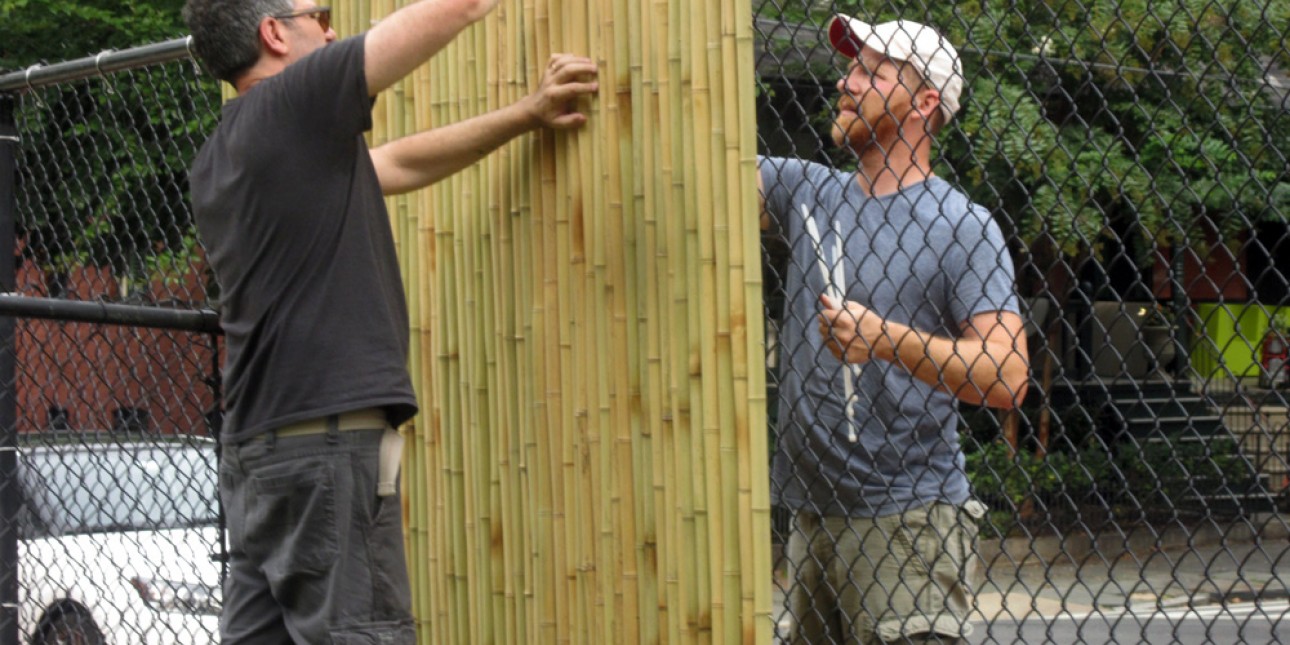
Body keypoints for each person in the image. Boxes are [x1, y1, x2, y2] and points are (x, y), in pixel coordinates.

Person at [181, 0, 598, 641]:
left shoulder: (228, 152)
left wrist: (526, 115)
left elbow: (395, 164)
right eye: (318, 14)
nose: (332, 28)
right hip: (325, 452)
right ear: (274, 34)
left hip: (256, 456)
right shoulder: (294, 103)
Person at [758, 14, 1030, 644]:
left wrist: (887, 339)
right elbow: (711, 177)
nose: (847, 84)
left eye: (871, 73)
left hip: (906, 521)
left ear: (925, 102)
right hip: (810, 518)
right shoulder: (807, 191)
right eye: (850, 69)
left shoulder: (963, 225)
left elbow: (1007, 376)